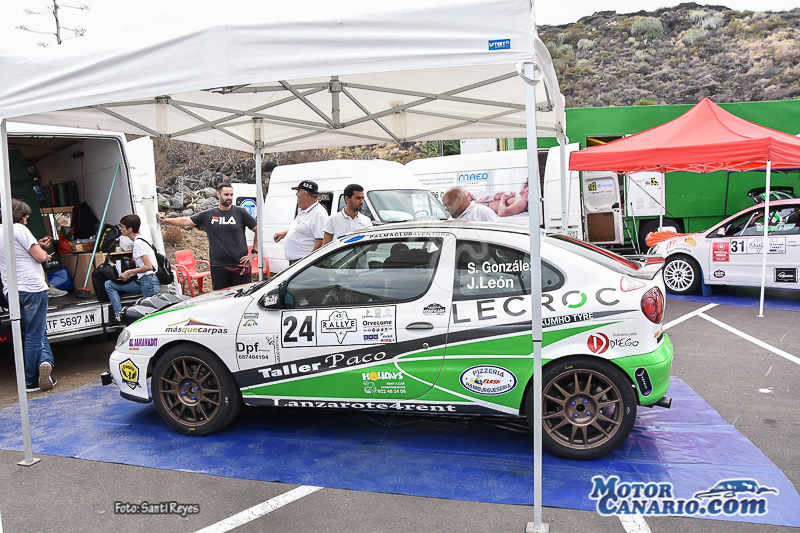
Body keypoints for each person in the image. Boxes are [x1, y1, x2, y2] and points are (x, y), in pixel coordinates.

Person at [0, 199, 57, 392]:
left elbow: (15, 255)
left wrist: (36, 246)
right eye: (25, 216)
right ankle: (31, 379)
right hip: (32, 287)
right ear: (18, 214)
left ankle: (44, 362)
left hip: (11, 289)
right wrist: (44, 253)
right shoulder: (19, 229)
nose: (26, 220)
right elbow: (39, 257)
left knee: (31, 332)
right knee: (35, 334)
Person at [158, 182, 258, 290]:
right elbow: (186, 220)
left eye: (231, 194)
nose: (229, 197)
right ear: (218, 195)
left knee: (242, 296)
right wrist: (166, 220)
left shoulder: (240, 212)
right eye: (226, 194)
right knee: (220, 296)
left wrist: (254, 252)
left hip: (240, 265)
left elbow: (258, 229)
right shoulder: (208, 215)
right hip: (218, 266)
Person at [104, 214, 161, 326]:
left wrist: (129, 272)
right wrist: (131, 275)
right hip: (144, 281)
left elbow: (148, 266)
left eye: (122, 227)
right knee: (109, 284)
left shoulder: (138, 243)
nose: (120, 229)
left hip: (148, 282)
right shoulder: (141, 240)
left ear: (130, 229)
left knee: (150, 317)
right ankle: (118, 317)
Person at [273, 180, 328, 265]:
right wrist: (285, 233)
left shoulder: (318, 214)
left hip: (304, 263)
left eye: (298, 192)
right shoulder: (305, 210)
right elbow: (304, 229)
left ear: (305, 194)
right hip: (298, 262)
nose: (296, 194)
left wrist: (309, 264)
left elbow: (321, 241)